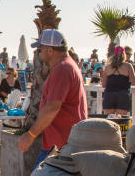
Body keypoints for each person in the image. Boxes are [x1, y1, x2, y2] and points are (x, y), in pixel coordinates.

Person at [16, 29, 88, 166]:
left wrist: (30, 135)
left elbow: (52, 107)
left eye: (40, 49)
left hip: (61, 146)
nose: (38, 52)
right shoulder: (67, 66)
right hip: (63, 144)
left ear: (50, 50)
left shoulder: (62, 69)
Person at [100, 46, 135, 115]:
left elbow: (103, 85)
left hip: (109, 95)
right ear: (124, 55)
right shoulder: (128, 66)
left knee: (109, 120)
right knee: (121, 121)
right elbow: (134, 83)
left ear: (113, 55)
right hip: (123, 95)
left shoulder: (108, 67)